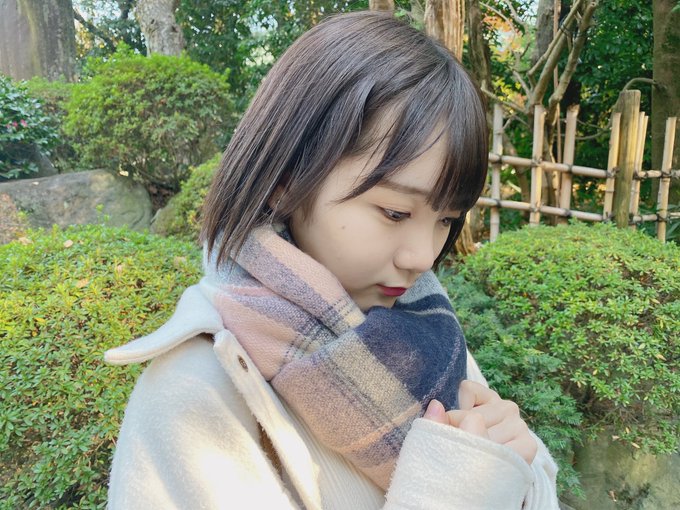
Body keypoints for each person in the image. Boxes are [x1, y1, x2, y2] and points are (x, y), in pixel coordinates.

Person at [105, 11, 559, 510]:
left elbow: (531, 484)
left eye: (446, 219)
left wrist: (520, 469)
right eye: (395, 212)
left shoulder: (424, 323)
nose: (424, 257)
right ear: (285, 181)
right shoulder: (196, 393)